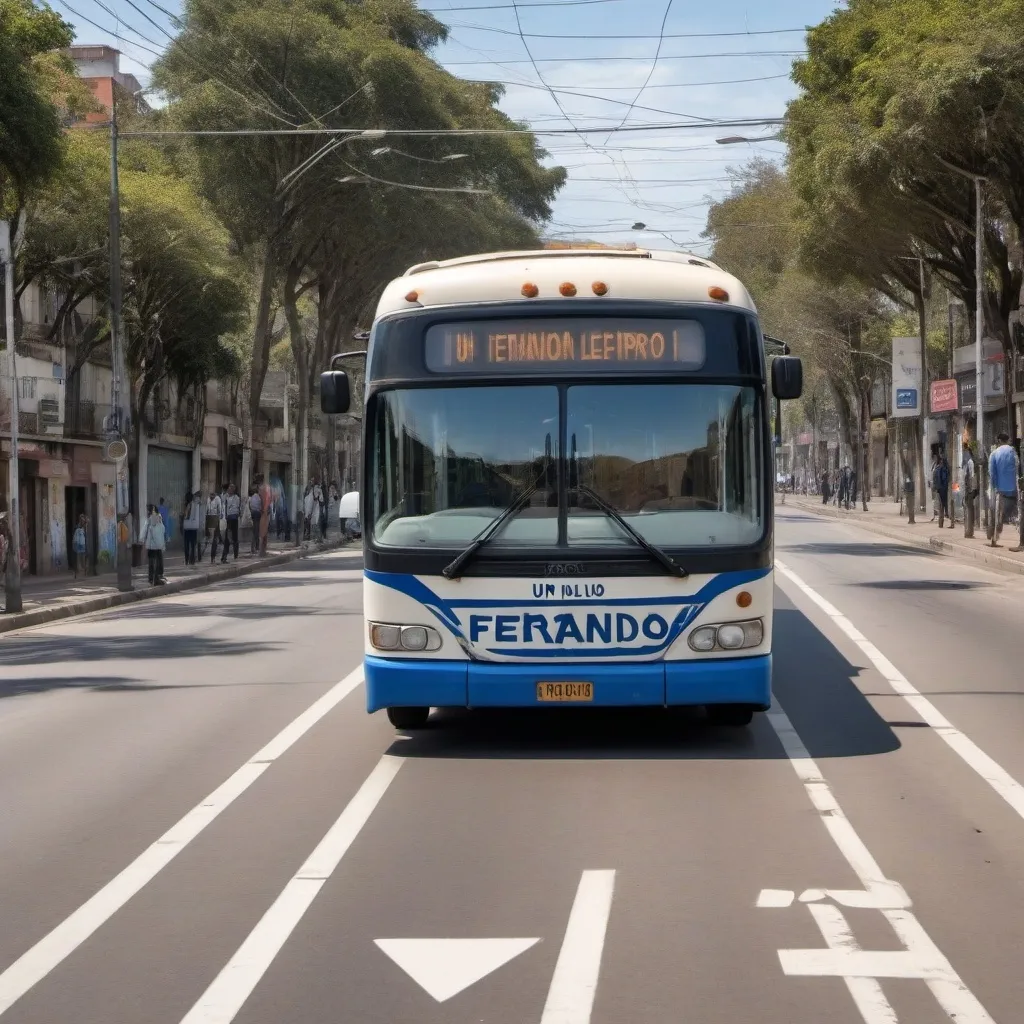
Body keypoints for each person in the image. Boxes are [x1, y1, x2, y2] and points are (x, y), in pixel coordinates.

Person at [988, 432, 1019, 542]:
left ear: (999, 441)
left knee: (995, 512)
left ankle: (994, 536)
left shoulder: (994, 453)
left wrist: (994, 487)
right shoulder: (1013, 451)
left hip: (999, 489)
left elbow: (992, 473)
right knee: (1014, 512)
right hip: (1013, 489)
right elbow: (1017, 466)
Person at [141, 505, 167, 585]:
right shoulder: (157, 519)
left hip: (151, 545)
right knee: (157, 562)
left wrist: (142, 539)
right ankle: (155, 579)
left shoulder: (149, 520)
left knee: (152, 562)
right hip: (157, 545)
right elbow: (161, 531)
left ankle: (151, 578)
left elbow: (144, 530)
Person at [222, 483, 241, 561]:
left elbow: (238, 508)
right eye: (229, 488)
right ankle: (224, 556)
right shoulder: (225, 497)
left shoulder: (236, 498)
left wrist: (237, 514)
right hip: (227, 520)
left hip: (234, 519)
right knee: (227, 538)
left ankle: (235, 554)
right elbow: (223, 504)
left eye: (232, 488)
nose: (230, 490)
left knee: (234, 537)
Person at [182, 491, 201, 565]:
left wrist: (183, 515)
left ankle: (187, 560)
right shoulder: (196, 504)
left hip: (187, 527)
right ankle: (192, 560)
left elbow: (186, 516)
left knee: (186, 545)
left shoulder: (188, 505)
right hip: (194, 527)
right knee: (193, 545)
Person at [932, 453, 950, 528]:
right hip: (943, 488)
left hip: (939, 488)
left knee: (941, 505)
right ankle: (944, 516)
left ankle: (941, 522)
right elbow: (944, 479)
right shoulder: (943, 468)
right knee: (943, 504)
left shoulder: (938, 468)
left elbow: (936, 478)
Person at [206, 487, 224, 564]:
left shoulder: (218, 499)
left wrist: (218, 519)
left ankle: (212, 557)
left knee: (214, 539)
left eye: (213, 494)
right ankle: (211, 556)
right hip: (209, 519)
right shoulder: (208, 499)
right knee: (210, 538)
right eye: (210, 494)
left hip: (215, 519)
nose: (211, 496)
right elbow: (206, 510)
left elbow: (220, 511)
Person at [72, 514, 88, 579]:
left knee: (83, 558)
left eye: (83, 519)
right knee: (78, 558)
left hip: (83, 544)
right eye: (81, 519)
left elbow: (86, 535)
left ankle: (84, 571)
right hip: (78, 544)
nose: (82, 520)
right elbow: (75, 537)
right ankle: (78, 572)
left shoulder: (85, 527)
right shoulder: (77, 527)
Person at [248, 483, 262, 555]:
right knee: (256, 531)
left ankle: (256, 547)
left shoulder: (253, 497)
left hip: (254, 514)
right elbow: (260, 506)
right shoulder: (258, 497)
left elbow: (250, 506)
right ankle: (254, 548)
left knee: (256, 531)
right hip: (257, 514)